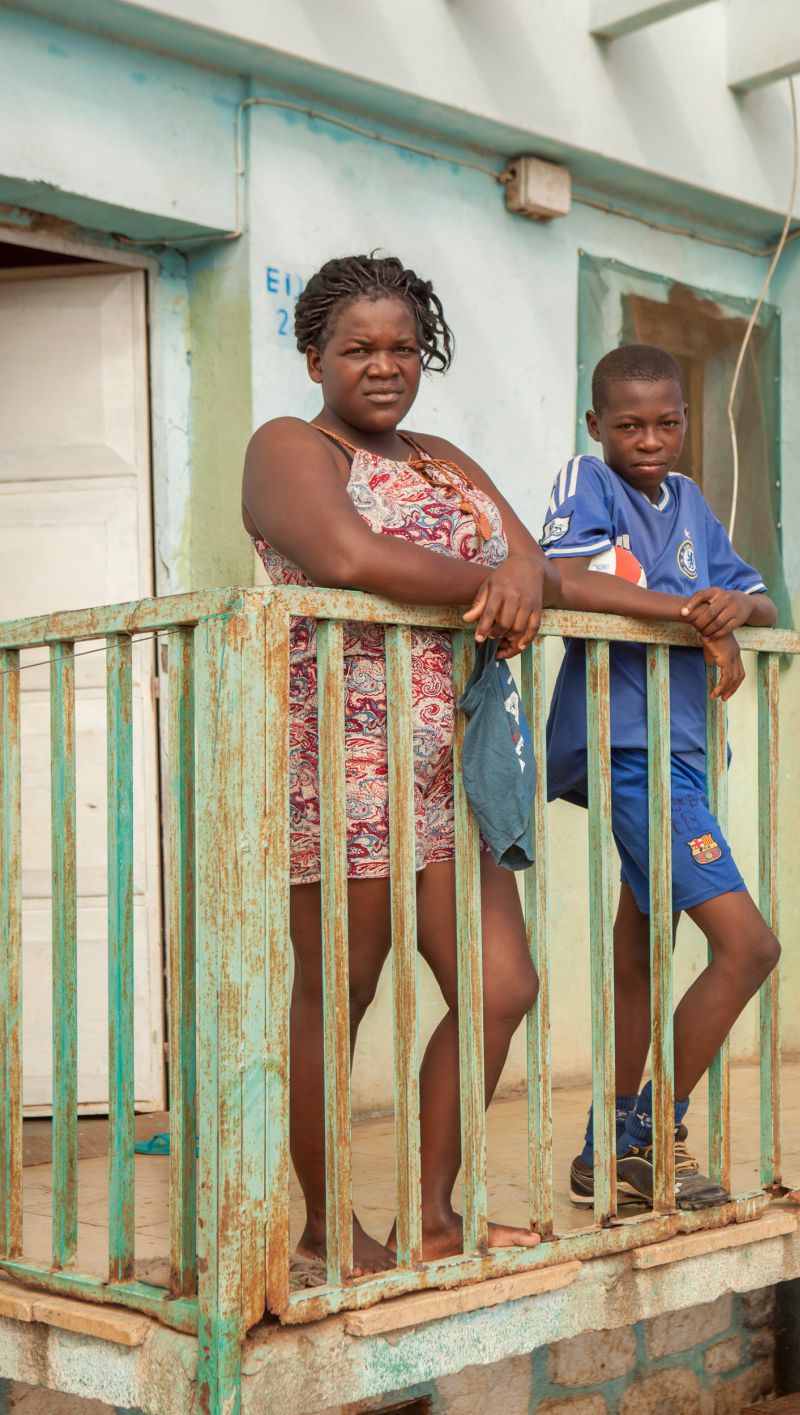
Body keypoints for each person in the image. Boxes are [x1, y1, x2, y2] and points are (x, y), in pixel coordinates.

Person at [242, 253, 559, 1275]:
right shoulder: (290, 446)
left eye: (403, 348)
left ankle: (430, 1216)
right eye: (357, 349)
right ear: (313, 357)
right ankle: (324, 1228)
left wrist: (700, 607)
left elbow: (532, 565)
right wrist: (496, 580)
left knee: (501, 984)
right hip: (343, 757)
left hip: (451, 763)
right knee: (341, 989)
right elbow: (347, 557)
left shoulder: (441, 456)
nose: (384, 366)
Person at [541, 343, 781, 1210]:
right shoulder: (588, 483)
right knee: (749, 947)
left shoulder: (689, 502)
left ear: (685, 420)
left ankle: (605, 1148)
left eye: (668, 423)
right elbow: (565, 581)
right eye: (630, 425)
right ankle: (648, 1133)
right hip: (635, 754)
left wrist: (733, 608)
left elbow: (760, 598)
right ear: (595, 424)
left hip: (689, 753)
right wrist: (692, 613)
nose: (650, 440)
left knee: (643, 950)